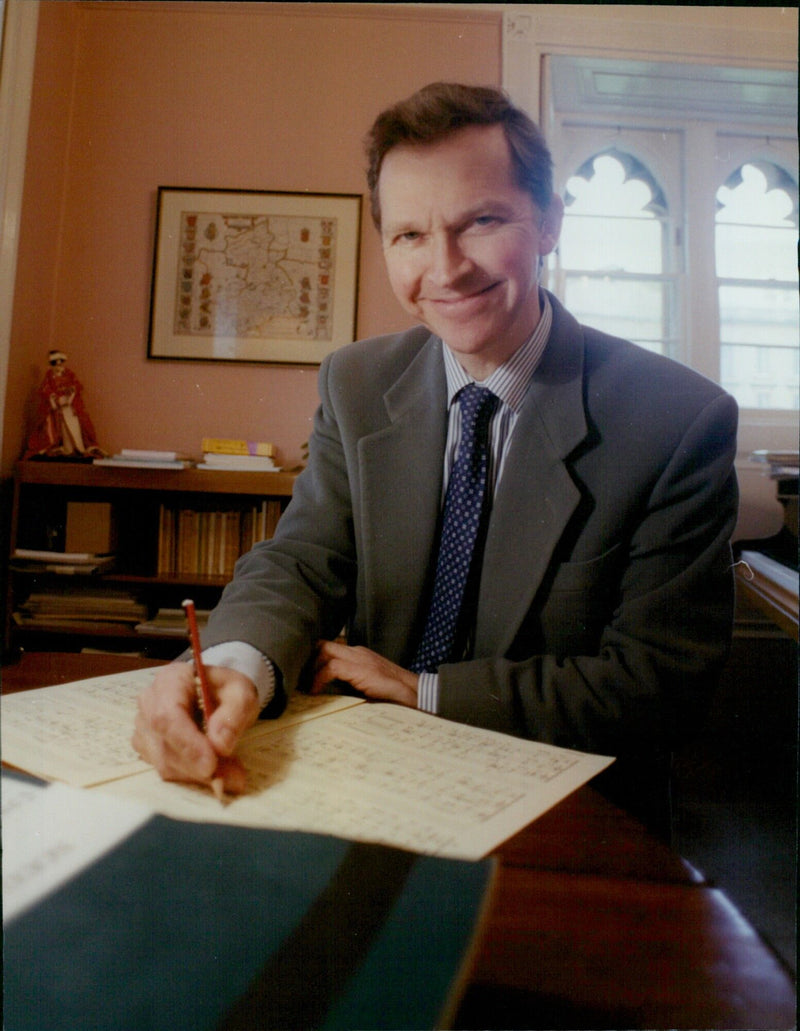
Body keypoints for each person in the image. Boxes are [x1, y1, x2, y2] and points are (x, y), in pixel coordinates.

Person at [134, 82, 738, 835]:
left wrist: (426, 692)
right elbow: (302, 561)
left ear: (550, 222)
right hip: (364, 787)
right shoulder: (356, 381)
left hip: (570, 815)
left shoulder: (677, 420)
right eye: (410, 236)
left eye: (481, 221)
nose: (446, 269)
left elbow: (660, 688)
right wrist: (233, 664)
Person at [24, 350, 105, 458]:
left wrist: (69, 398)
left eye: (60, 362)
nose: (58, 365)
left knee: (74, 426)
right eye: (55, 363)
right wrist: (54, 401)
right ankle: (68, 450)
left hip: (70, 406)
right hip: (59, 409)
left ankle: (79, 449)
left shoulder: (69, 375)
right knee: (63, 430)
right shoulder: (49, 377)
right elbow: (46, 392)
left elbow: (75, 387)